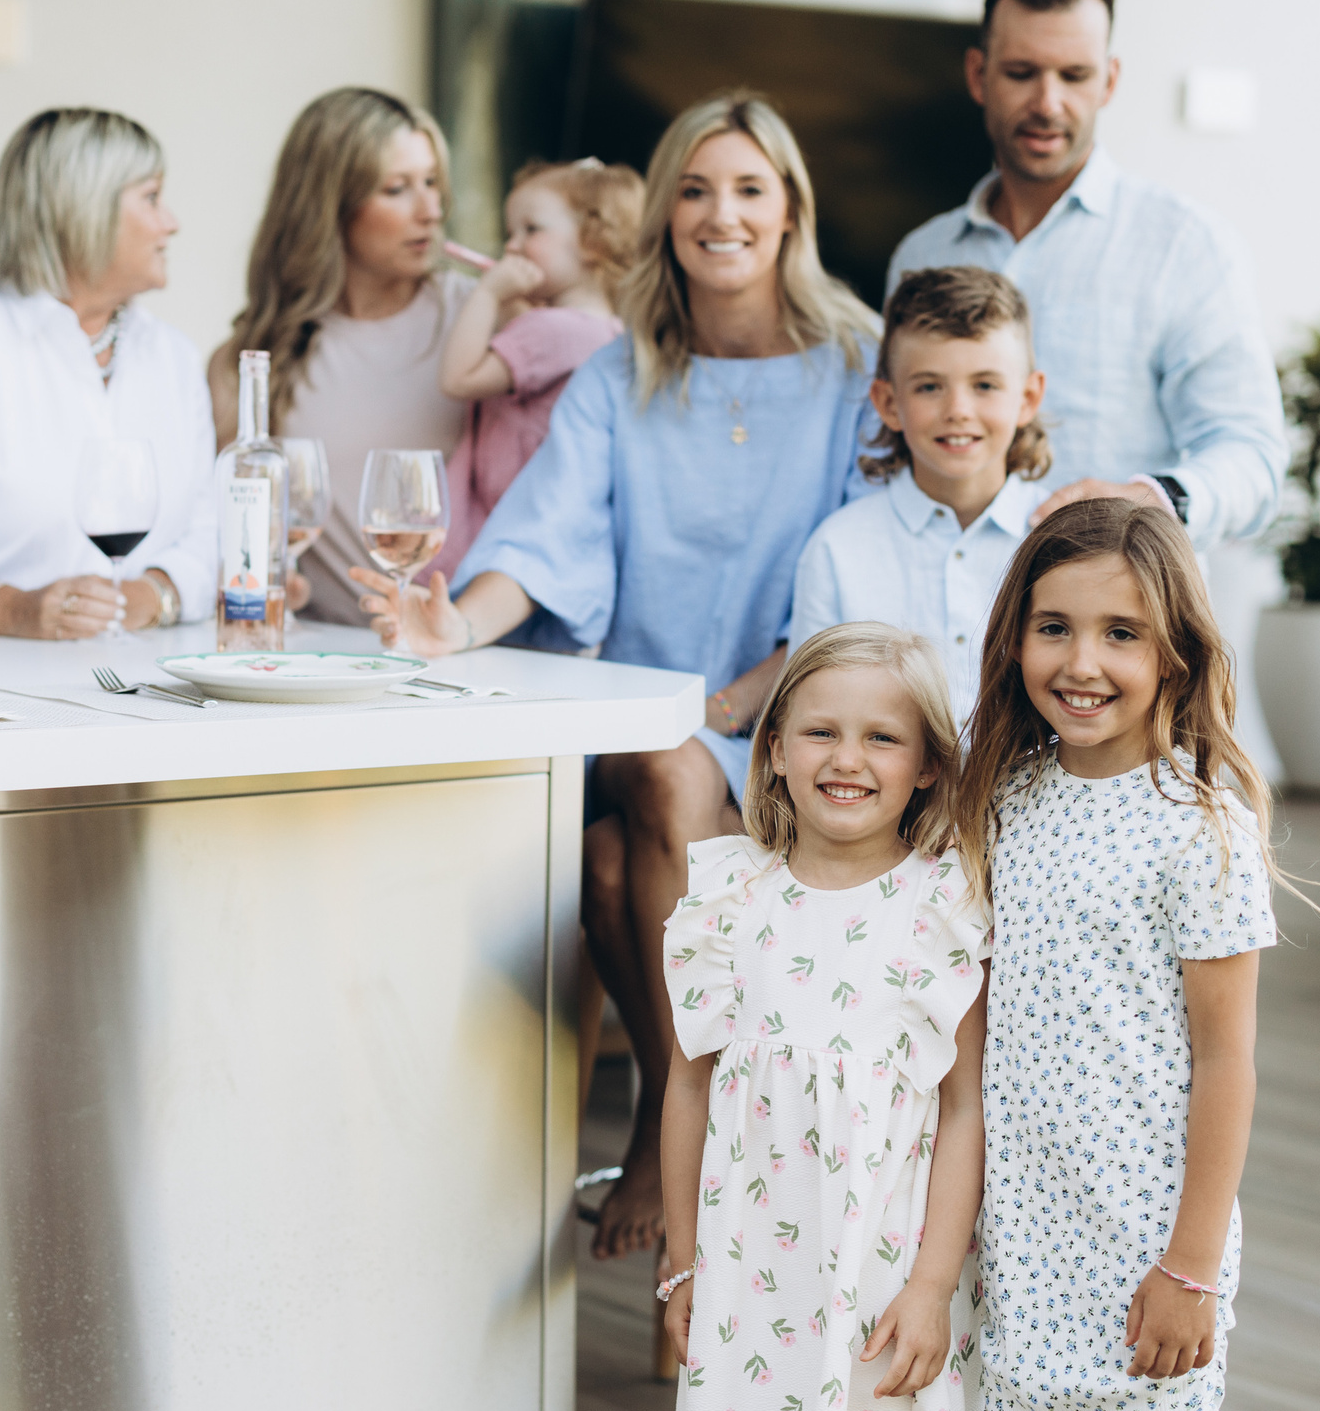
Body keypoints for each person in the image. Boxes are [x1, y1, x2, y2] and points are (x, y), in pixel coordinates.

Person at [358, 90, 878, 1259]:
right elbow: (541, 545)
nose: (720, 213)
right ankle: (675, 1107)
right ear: (662, 217)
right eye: (694, 189)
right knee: (608, 839)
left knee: (628, 824)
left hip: (798, 730)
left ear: (791, 211)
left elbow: (863, 591)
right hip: (657, 745)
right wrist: (450, 629)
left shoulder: (861, 369)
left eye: (749, 189)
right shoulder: (619, 375)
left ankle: (663, 1126)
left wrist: (731, 705)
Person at [947, 499, 1274, 1411]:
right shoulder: (1004, 799)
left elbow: (1226, 1062)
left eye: (1120, 634)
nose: (1080, 662)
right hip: (1024, 1222)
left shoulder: (1200, 830)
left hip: (1146, 1230)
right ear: (1015, 641)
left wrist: (1189, 1266)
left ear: (1173, 653)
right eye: (1055, 629)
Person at [658, 621, 990, 1411]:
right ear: (772, 750)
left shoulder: (939, 907)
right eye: (820, 732)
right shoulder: (730, 898)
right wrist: (683, 1261)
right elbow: (690, 1084)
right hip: (748, 1269)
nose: (849, 758)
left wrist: (931, 1287)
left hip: (881, 1268)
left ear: (926, 763)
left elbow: (962, 1111)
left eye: (883, 736)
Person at [886, 0, 1285, 549]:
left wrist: (1156, 499)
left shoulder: (1185, 246)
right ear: (978, 75)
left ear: (1110, 80)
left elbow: (1252, 459)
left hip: (1121, 625)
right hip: (949, 629)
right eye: (1022, 72)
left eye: (1074, 75)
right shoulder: (922, 255)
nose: (1048, 102)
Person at [0, 108, 212, 637]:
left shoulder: (175, 357)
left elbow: (210, 531)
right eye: (151, 197)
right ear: (83, 208)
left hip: (155, 685)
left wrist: (155, 594)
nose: (172, 223)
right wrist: (10, 609)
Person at [211, 87, 471, 626]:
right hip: (322, 660)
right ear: (329, 203)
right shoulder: (254, 360)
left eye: (432, 183)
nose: (430, 210)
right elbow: (218, 529)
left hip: (458, 651)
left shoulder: (480, 321)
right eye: (397, 189)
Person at [790, 265, 1050, 729]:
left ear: (1028, 398)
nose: (958, 411)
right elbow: (812, 721)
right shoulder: (839, 549)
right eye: (930, 386)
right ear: (888, 403)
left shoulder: (1063, 542)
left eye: (985, 385)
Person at [436, 157, 640, 568]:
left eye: (531, 230)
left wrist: (487, 295)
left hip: (499, 529)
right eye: (512, 232)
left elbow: (458, 379)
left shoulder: (554, 330)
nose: (511, 246)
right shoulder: (604, 329)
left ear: (593, 241)